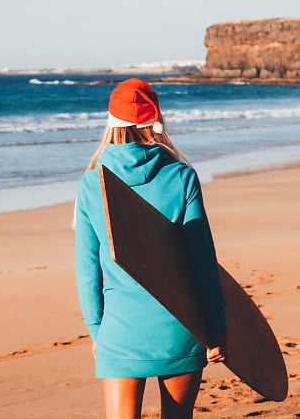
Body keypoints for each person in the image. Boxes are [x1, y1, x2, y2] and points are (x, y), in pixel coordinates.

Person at [74, 78, 227, 419]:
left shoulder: (91, 183)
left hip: (120, 330)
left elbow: (87, 271)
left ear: (111, 123)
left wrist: (99, 332)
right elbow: (203, 264)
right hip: (180, 327)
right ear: (156, 122)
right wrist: (217, 328)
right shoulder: (182, 176)